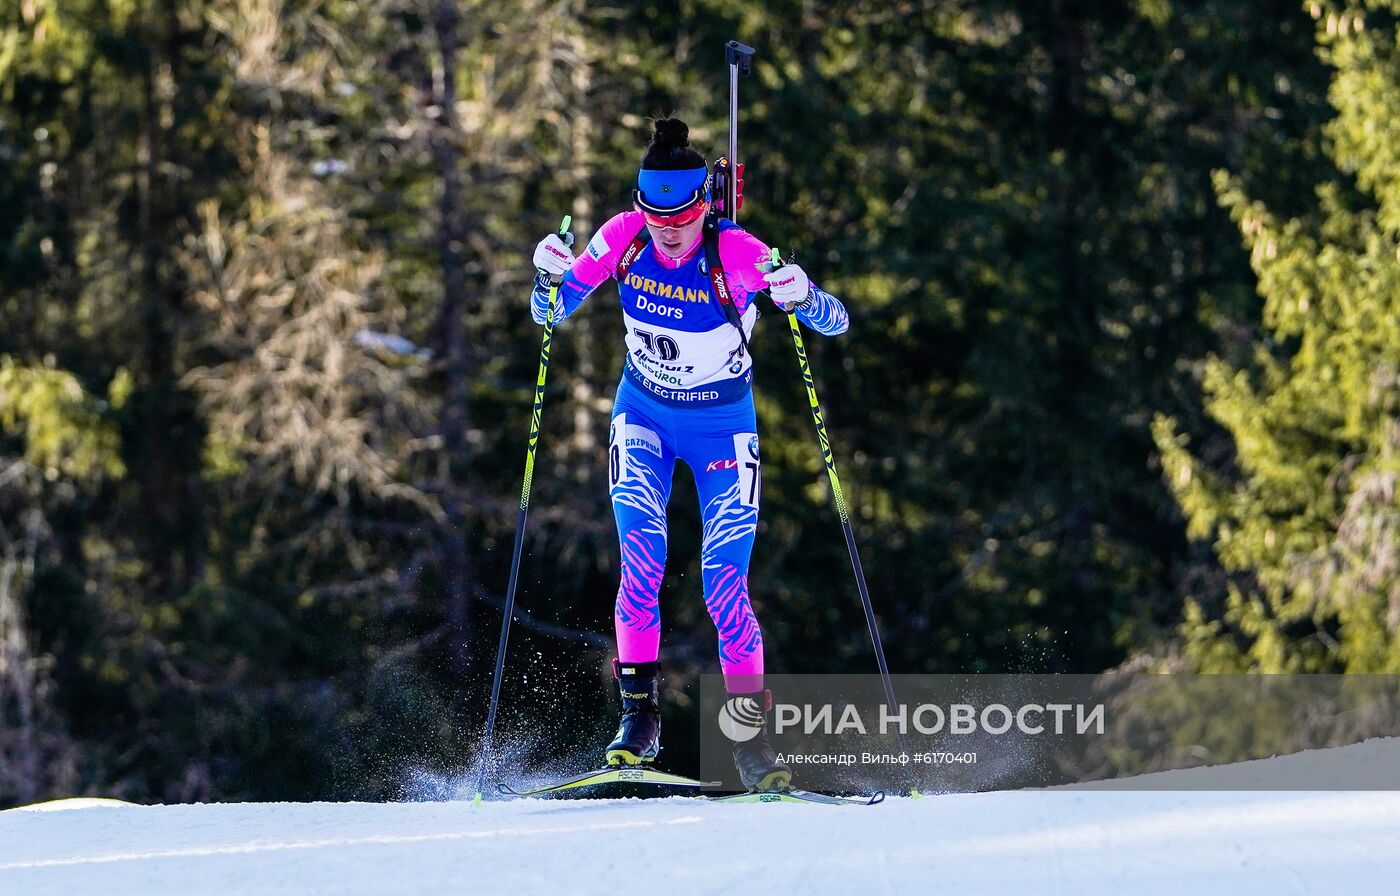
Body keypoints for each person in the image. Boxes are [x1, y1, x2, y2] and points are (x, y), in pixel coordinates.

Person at [529, 117, 849, 792]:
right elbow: (552, 312)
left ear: (704, 207)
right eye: (654, 216)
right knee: (641, 557)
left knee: (724, 586)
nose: (666, 231)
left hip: (721, 430)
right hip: (642, 415)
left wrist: (803, 293)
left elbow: (835, 320)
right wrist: (546, 276)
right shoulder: (621, 238)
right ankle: (639, 721)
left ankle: (750, 743)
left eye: (679, 217)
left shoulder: (737, 252)